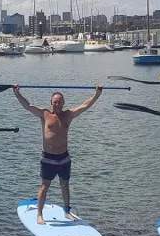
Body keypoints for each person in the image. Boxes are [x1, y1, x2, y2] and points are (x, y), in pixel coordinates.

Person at [12, 85, 102, 225]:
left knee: (65, 185)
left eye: (60, 102)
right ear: (51, 103)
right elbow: (28, 106)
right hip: (48, 158)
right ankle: (39, 214)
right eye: (55, 102)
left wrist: (97, 94)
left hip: (64, 158)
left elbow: (85, 106)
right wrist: (17, 93)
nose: (57, 104)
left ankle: (66, 211)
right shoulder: (45, 114)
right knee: (44, 186)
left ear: (63, 103)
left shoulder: (68, 115)